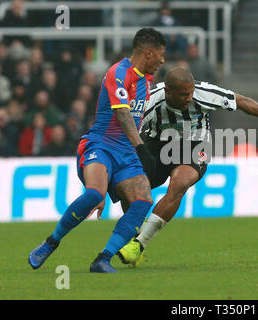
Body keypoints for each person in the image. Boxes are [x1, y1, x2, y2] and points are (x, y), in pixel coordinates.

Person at [28, 28, 167, 273]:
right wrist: (142, 147)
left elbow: (137, 117)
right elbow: (123, 114)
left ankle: (103, 259)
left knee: (143, 201)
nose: (162, 60)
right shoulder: (119, 72)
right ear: (149, 52)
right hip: (101, 145)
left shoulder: (147, 80)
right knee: (94, 194)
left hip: (126, 154)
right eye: (161, 55)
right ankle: (51, 242)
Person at [111, 66, 258, 267]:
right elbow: (126, 123)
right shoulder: (151, 100)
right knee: (131, 188)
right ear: (168, 92)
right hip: (155, 145)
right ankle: (132, 235)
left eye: (190, 93)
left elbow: (241, 101)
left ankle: (139, 244)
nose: (188, 98)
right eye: (183, 95)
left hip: (194, 144)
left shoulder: (204, 94)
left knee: (180, 183)